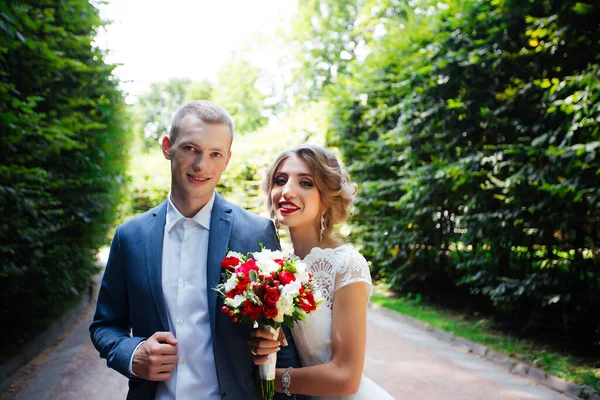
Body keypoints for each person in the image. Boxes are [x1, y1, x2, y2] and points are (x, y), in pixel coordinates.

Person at [89, 100, 307, 400]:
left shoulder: (256, 232)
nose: (201, 165)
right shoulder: (130, 236)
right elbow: (105, 325)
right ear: (168, 147)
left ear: (227, 159)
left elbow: (280, 340)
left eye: (215, 154)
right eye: (191, 148)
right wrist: (133, 354)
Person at [247, 144, 394, 399]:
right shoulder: (274, 264)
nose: (288, 191)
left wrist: (271, 379)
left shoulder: (346, 265)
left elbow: (346, 377)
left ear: (327, 197)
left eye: (305, 183)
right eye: (280, 180)